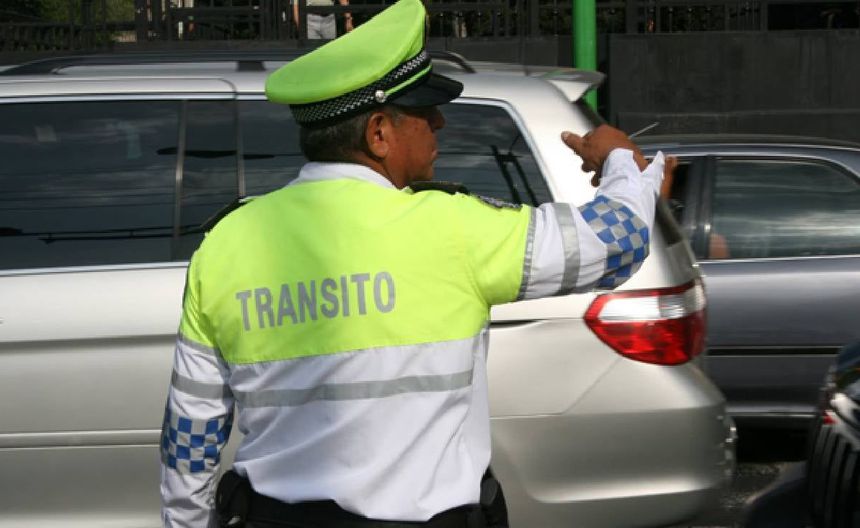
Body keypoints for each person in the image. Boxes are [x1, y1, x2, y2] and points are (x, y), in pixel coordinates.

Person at [159, 1, 665, 526]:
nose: (439, 122)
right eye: (424, 112)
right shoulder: (454, 229)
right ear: (378, 133)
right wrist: (619, 159)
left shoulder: (225, 245)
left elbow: (191, 439)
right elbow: (620, 239)